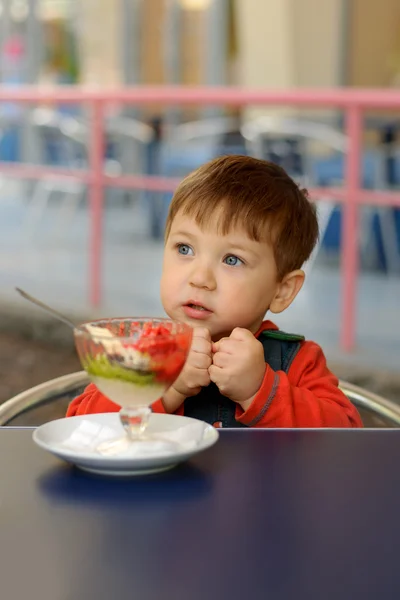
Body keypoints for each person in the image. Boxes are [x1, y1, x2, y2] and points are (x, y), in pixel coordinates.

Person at [67, 155, 362, 428]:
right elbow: (82, 429)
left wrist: (262, 390)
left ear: (282, 290)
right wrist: (162, 385)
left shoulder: (298, 362)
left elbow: (346, 438)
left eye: (232, 259)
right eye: (185, 249)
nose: (200, 278)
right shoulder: (139, 349)